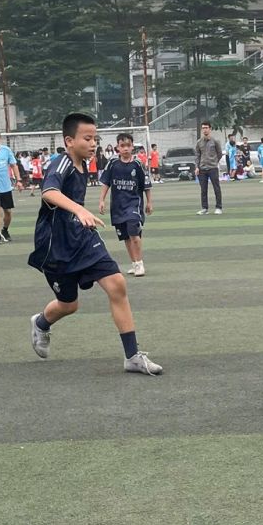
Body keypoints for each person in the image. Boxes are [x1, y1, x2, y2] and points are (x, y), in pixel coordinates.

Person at [28, 112, 162, 375]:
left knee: (117, 284)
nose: (93, 144)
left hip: (83, 237)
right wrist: (79, 210)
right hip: (56, 245)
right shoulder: (61, 163)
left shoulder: (84, 164)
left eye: (95, 139)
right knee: (69, 304)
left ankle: (132, 356)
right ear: (69, 141)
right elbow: (49, 192)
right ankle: (41, 323)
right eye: (87, 138)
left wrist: (80, 216)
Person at [98, 131, 153, 276]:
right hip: (117, 206)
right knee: (126, 237)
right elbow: (106, 183)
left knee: (134, 233)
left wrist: (149, 202)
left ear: (132, 146)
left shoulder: (137, 164)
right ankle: (134, 263)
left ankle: (140, 263)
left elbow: (146, 185)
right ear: (118, 147)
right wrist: (102, 200)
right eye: (122, 146)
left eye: (128, 145)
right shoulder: (112, 163)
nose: (126, 148)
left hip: (133, 205)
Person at [195, 120, 224, 215]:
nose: (205, 130)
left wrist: (215, 162)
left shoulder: (215, 141)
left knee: (216, 188)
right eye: (203, 128)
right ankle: (204, 208)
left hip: (213, 168)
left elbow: (219, 153)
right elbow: (197, 155)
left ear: (210, 129)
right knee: (203, 189)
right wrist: (197, 167)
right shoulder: (199, 142)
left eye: (206, 128)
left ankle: (218, 207)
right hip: (202, 169)